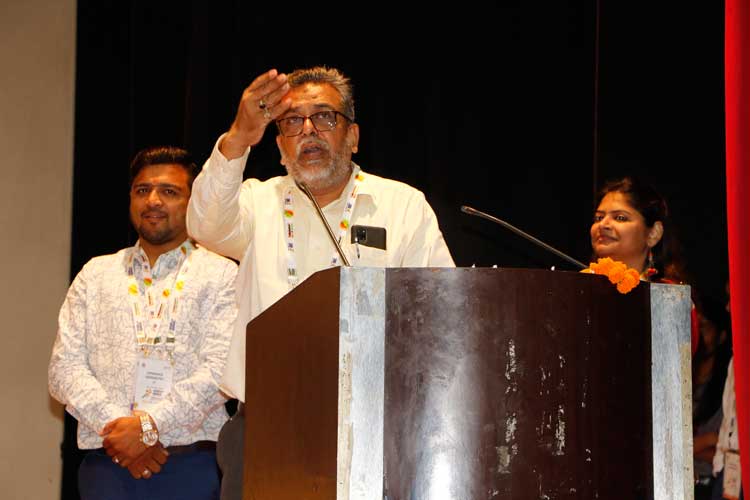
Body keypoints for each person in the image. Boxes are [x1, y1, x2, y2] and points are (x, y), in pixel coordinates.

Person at [186, 66, 454, 499]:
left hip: (372, 425)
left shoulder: (402, 206)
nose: (308, 131)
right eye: (292, 121)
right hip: (267, 426)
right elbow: (204, 224)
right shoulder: (256, 203)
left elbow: (440, 312)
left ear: (353, 136)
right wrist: (238, 137)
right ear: (279, 145)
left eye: (324, 117)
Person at [48, 146, 239, 500]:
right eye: (142, 190)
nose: (153, 200)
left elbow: (221, 370)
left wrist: (150, 427)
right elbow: (64, 369)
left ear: (193, 202)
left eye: (169, 191)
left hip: (191, 464)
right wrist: (123, 434)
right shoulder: (95, 274)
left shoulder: (222, 274)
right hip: (109, 464)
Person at [589, 176, 699, 353]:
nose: (603, 224)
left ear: (653, 233)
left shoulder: (670, 298)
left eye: (620, 217)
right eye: (598, 217)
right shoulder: (579, 286)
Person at [691, 293, 732, 499]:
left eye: (704, 327)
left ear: (722, 335)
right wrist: (705, 441)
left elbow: (722, 451)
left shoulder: (726, 383)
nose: (698, 334)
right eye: (694, 327)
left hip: (709, 482)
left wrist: (698, 444)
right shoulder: (684, 373)